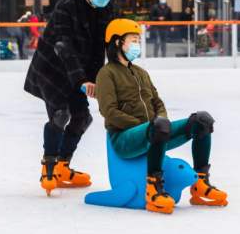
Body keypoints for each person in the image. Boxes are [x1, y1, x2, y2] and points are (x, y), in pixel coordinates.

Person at [96, 19, 228, 215]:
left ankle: (200, 184)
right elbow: (109, 112)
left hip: (154, 132)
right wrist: (148, 127)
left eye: (138, 41)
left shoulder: (141, 72)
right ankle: (153, 188)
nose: (137, 45)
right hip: (124, 138)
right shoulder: (106, 74)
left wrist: (159, 123)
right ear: (117, 42)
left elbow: (157, 102)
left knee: (202, 121)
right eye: (133, 40)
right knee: (158, 127)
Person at [24, 0, 116, 196]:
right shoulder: (65, 6)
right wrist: (82, 80)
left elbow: (100, 47)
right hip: (53, 68)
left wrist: (97, 79)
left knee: (82, 119)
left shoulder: (107, 8)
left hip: (80, 69)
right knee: (60, 114)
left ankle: (64, 166)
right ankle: (49, 168)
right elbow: (63, 47)